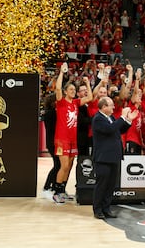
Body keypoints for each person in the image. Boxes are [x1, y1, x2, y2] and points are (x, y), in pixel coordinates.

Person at [92, 97, 138, 219]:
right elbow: (110, 129)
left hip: (114, 156)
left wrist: (128, 120)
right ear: (103, 107)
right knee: (102, 185)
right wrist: (122, 117)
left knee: (111, 185)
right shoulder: (98, 119)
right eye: (111, 105)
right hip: (103, 158)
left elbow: (118, 130)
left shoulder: (110, 118)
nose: (113, 107)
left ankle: (106, 208)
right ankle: (98, 210)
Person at [53, 62, 93, 204]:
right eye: (70, 89)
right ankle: (57, 192)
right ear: (65, 91)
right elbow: (57, 87)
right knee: (63, 166)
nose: (73, 91)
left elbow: (89, 98)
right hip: (62, 139)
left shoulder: (75, 103)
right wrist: (62, 73)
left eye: (74, 89)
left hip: (72, 139)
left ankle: (62, 191)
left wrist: (87, 83)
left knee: (69, 167)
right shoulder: (61, 102)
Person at [42, 93, 60, 199]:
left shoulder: (50, 113)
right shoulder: (51, 113)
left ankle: (52, 186)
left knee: (58, 165)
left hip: (53, 142)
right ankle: (47, 186)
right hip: (53, 142)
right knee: (57, 165)